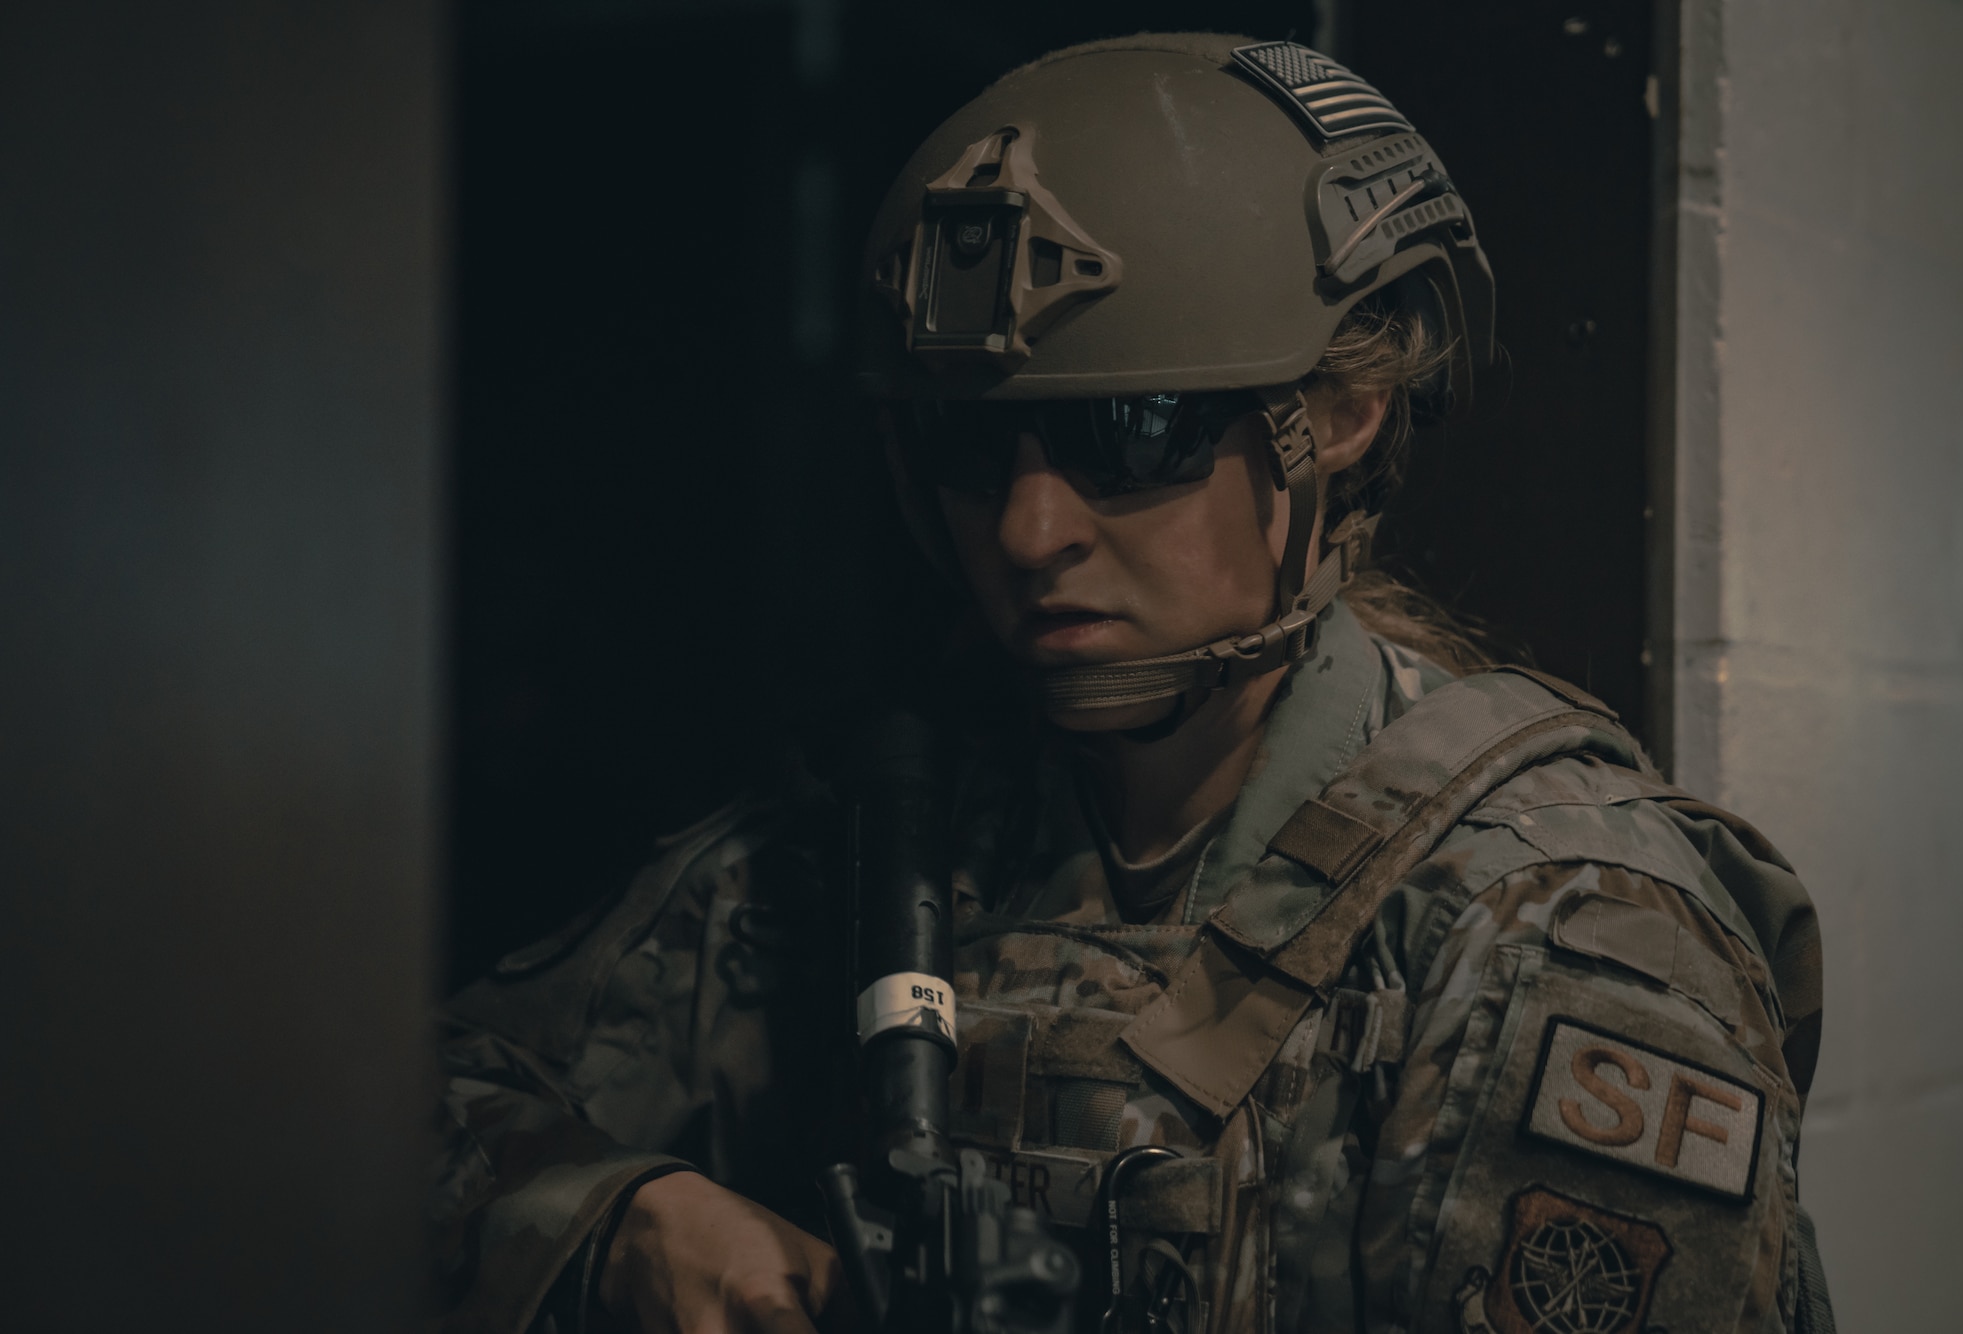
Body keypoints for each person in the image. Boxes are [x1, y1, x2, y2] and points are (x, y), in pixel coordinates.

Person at [432, 33, 1833, 1334]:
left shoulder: (1557, 927)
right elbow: (393, 1108)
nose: (1031, 534)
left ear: (1340, 414)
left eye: (1131, 433)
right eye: (977, 455)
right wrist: (633, 1221)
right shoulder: (896, 841)